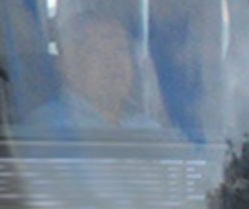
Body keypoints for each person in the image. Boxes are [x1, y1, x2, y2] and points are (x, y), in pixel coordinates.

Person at [24, 12, 163, 132]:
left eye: (121, 50)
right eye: (95, 52)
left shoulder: (147, 127)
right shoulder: (48, 127)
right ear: (66, 66)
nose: (113, 62)